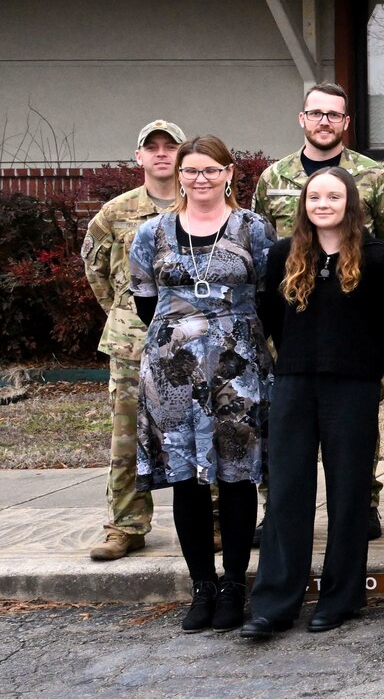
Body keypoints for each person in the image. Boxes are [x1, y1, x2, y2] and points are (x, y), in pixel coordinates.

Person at [242, 168, 384, 639]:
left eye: (334, 196)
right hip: (293, 384)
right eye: (315, 196)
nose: (323, 203)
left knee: (349, 494)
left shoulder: (375, 260)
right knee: (288, 491)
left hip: (352, 388)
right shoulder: (281, 255)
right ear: (304, 204)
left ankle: (341, 597)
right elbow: (270, 316)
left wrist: (365, 375)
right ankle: (275, 603)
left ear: (350, 204)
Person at [128, 135, 275, 632]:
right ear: (180, 177)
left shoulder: (254, 229)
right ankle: (202, 586)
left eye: (211, 170)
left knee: (236, 476)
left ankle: (234, 585)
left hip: (238, 372)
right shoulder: (153, 233)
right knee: (185, 479)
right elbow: (145, 301)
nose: (200, 179)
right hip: (172, 374)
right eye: (191, 171)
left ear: (230, 172)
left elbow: (269, 293)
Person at [251, 81, 384, 541]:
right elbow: (265, 250)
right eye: (315, 113)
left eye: (333, 115)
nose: (324, 121)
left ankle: (364, 505)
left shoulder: (373, 177)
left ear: (345, 122)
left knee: (356, 428)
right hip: (297, 323)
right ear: (302, 119)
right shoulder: (273, 179)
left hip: (353, 323)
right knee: (287, 433)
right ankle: (276, 509)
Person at [78, 119, 184, 561]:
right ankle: (125, 526)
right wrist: (124, 316)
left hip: (189, 340)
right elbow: (96, 271)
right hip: (132, 345)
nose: (161, 154)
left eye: (170, 146)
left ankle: (212, 519)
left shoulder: (201, 205)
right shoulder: (115, 212)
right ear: (138, 157)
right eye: (152, 147)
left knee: (195, 429)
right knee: (126, 438)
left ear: (182, 154)